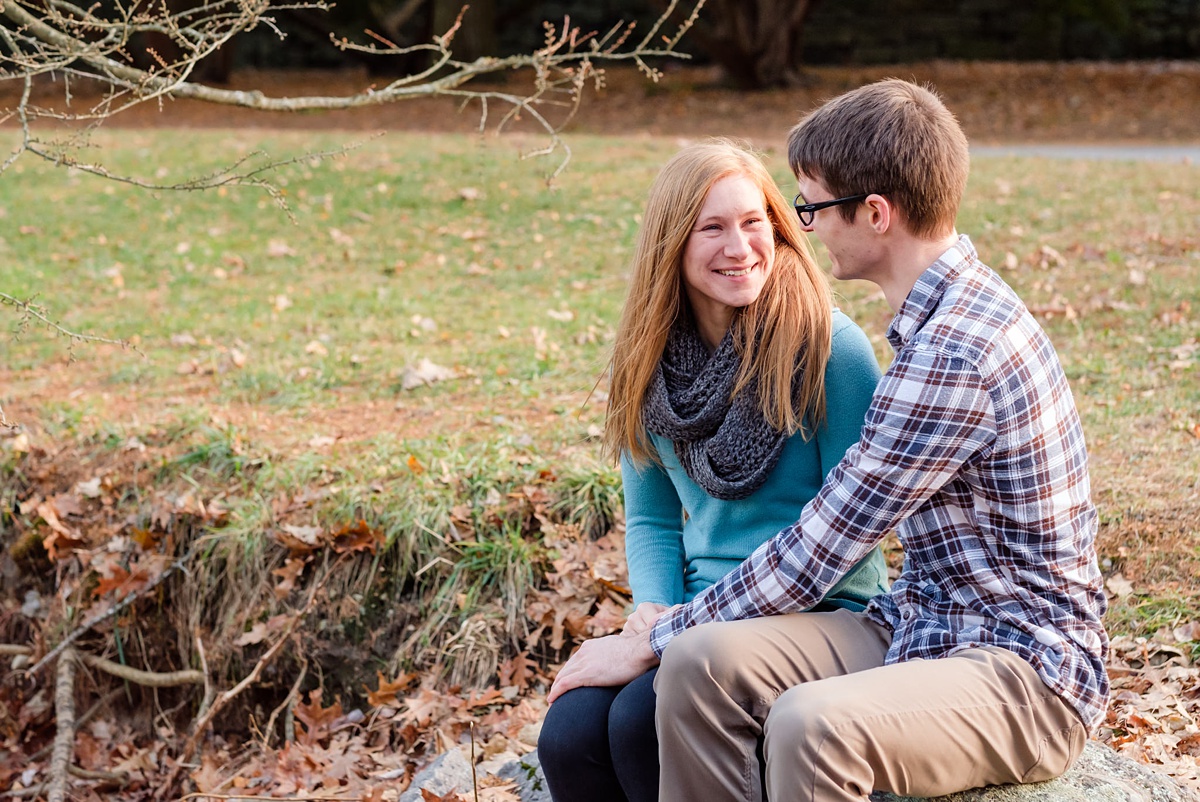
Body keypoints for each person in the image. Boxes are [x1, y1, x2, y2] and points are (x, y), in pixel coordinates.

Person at [547, 79, 1109, 802]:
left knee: (809, 723)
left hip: (1023, 667)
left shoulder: (954, 354)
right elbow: (660, 514)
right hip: (925, 622)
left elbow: (822, 548)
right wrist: (667, 633)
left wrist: (646, 639)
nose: (800, 227)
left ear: (874, 214)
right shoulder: (930, 327)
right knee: (699, 661)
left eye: (809, 208)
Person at [538, 140, 889, 802]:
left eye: (753, 222)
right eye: (713, 228)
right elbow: (649, 516)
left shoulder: (828, 347)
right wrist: (651, 616)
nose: (740, 247)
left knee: (643, 721)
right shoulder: (645, 365)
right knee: (571, 733)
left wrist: (679, 634)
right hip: (693, 610)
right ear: (671, 243)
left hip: (818, 612)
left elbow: (850, 539)